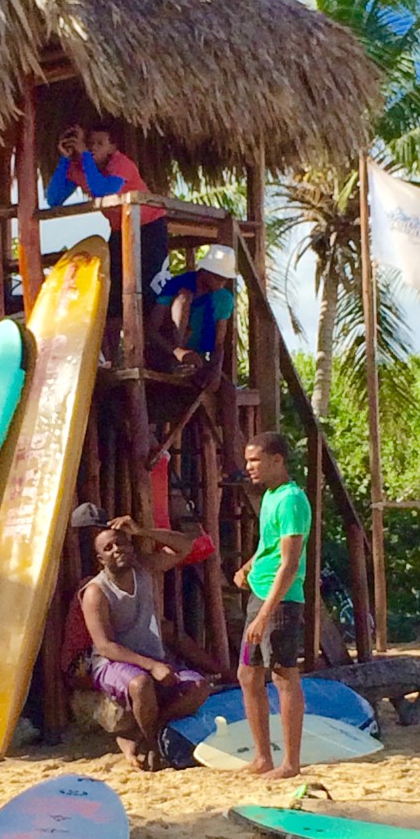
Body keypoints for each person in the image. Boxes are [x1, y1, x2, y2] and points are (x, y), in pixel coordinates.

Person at [73, 504, 210, 770]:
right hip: (112, 665)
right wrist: (152, 665)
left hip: (150, 660)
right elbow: (105, 646)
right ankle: (152, 744)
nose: (117, 550)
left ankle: (141, 734)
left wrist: (143, 530)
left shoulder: (143, 568)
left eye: (121, 543)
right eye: (109, 549)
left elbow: (184, 547)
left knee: (199, 688)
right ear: (100, 559)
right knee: (140, 684)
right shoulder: (96, 592)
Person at [46, 121, 169, 362]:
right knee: (112, 293)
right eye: (90, 144)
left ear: (113, 147)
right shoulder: (84, 165)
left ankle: (158, 356)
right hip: (120, 230)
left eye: (99, 144)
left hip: (149, 228)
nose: (92, 148)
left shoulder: (121, 164)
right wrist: (65, 160)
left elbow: (104, 190)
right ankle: (113, 359)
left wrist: (83, 156)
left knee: (149, 290)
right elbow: (54, 198)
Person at [233, 433, 311, 779]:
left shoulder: (292, 500)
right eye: (248, 460)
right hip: (260, 594)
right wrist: (249, 566)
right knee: (248, 675)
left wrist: (265, 615)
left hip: (280, 603)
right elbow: (269, 546)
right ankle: (262, 756)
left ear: (277, 460)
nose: (249, 467)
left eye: (255, 460)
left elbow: (290, 563)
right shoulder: (269, 496)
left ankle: (290, 764)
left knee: (283, 676)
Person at [146, 244, 244, 476]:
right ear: (206, 273)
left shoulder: (223, 299)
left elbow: (219, 343)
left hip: (197, 359)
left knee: (228, 392)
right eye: (218, 277)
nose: (221, 283)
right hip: (165, 352)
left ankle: (231, 462)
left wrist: (214, 370)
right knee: (184, 299)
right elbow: (152, 330)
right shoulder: (179, 287)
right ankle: (180, 364)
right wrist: (177, 351)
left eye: (224, 279)